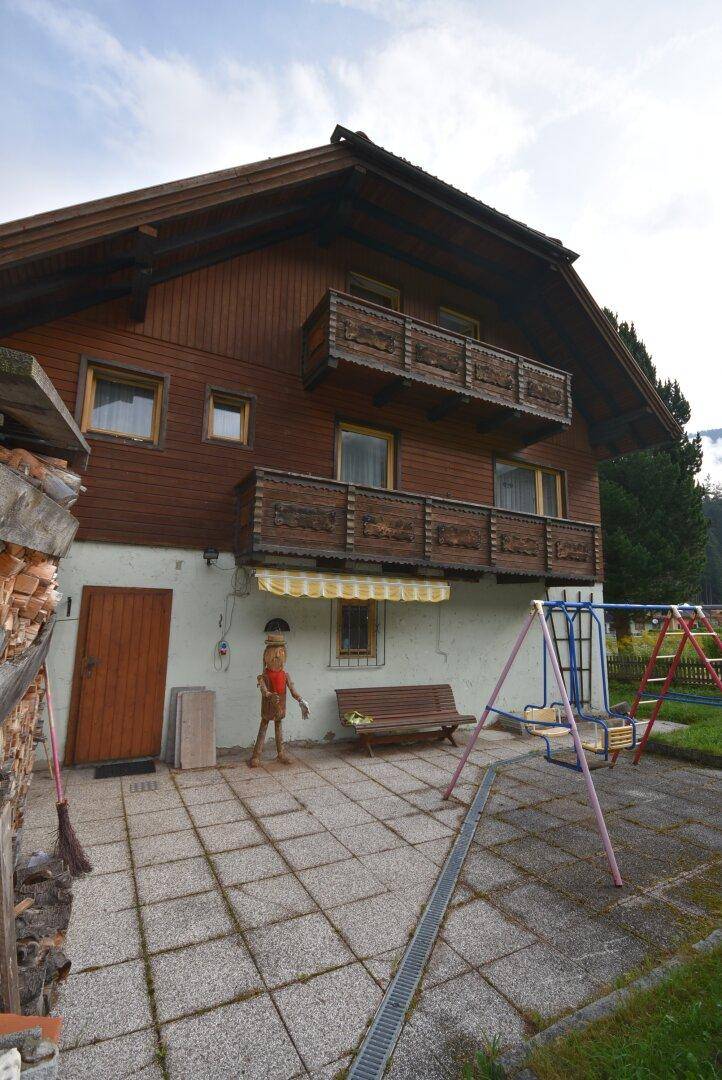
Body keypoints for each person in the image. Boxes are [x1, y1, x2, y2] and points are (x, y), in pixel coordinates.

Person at [250, 632, 309, 767]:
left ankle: (281, 753)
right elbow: (264, 690)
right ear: (266, 655)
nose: (276, 656)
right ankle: (256, 755)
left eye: (280, 653)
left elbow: (292, 690)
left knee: (278, 727)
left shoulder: (285, 675)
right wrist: (269, 695)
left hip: (280, 706)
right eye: (273, 653)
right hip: (268, 705)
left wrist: (301, 700)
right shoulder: (263, 676)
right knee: (264, 727)